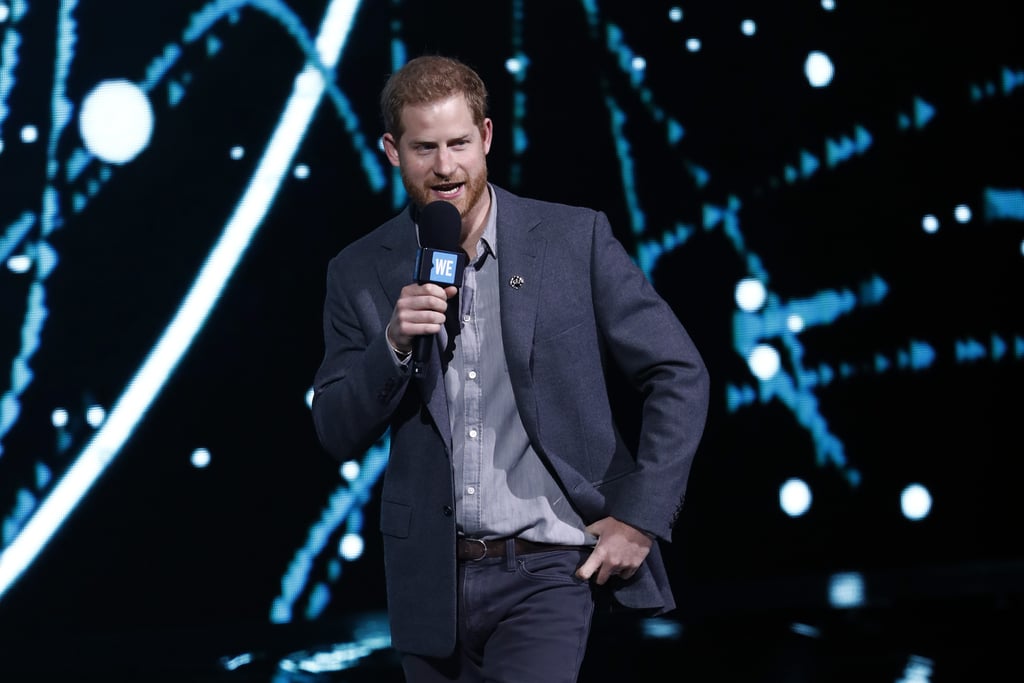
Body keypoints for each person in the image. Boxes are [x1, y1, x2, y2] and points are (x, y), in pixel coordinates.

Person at [311, 54, 710, 683]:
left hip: (547, 572)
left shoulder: (572, 239)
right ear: (392, 151)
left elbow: (678, 371)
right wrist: (390, 340)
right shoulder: (360, 272)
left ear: (487, 137)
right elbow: (334, 425)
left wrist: (640, 516)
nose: (445, 167)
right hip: (429, 583)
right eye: (424, 148)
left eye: (459, 143)